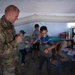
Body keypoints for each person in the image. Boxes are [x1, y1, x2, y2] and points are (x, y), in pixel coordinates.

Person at [0, 5, 22, 75]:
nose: (17, 18)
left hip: (16, 60)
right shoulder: (1, 29)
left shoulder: (10, 25)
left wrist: (17, 36)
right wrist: (16, 41)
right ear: (10, 14)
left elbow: (10, 39)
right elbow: (1, 51)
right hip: (8, 66)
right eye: (16, 16)